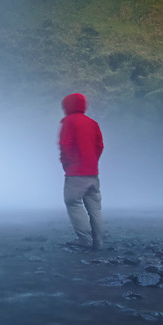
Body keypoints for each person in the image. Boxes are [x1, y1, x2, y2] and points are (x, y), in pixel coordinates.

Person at [59, 92, 104, 250]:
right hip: (93, 173)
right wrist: (92, 161)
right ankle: (98, 241)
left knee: (73, 202)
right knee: (95, 208)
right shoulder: (92, 123)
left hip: (76, 172)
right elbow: (99, 146)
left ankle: (85, 239)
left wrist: (67, 164)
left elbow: (65, 145)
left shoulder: (69, 122)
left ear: (67, 105)